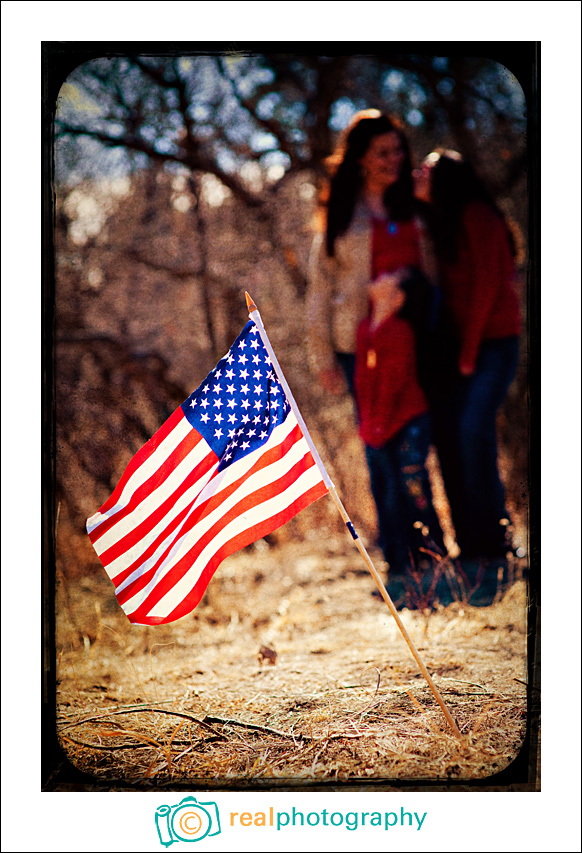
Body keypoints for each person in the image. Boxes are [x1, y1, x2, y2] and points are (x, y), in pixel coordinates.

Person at [306, 110, 445, 589]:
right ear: (361, 159)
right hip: (360, 351)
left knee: (415, 451)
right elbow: (319, 293)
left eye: (398, 150)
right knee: (380, 453)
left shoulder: (417, 203)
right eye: (382, 152)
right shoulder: (341, 215)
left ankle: (436, 554)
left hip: (419, 347)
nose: (394, 160)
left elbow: (442, 265)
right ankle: (402, 563)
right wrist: (322, 357)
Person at [413, 149, 522, 596]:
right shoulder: (441, 219)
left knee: (474, 430)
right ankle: (477, 543)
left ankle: (498, 541)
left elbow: (488, 286)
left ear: (447, 179)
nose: (418, 172)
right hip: (467, 346)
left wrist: (469, 351)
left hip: (494, 342)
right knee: (460, 438)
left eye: (427, 168)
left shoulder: (478, 215)